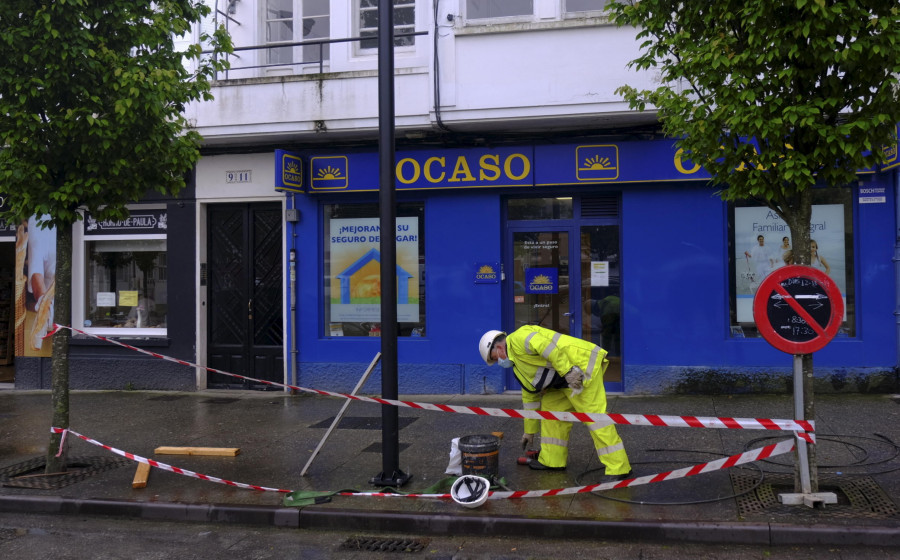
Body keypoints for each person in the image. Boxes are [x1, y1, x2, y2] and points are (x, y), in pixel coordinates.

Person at [478, 326, 632, 480]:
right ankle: (552, 461)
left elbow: (548, 348)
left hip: (581, 369)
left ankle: (619, 468)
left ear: (498, 347)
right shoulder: (517, 366)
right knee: (550, 414)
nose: (499, 362)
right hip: (563, 381)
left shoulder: (519, 338)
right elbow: (530, 396)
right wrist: (529, 431)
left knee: (596, 420)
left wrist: (568, 372)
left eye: (495, 358)